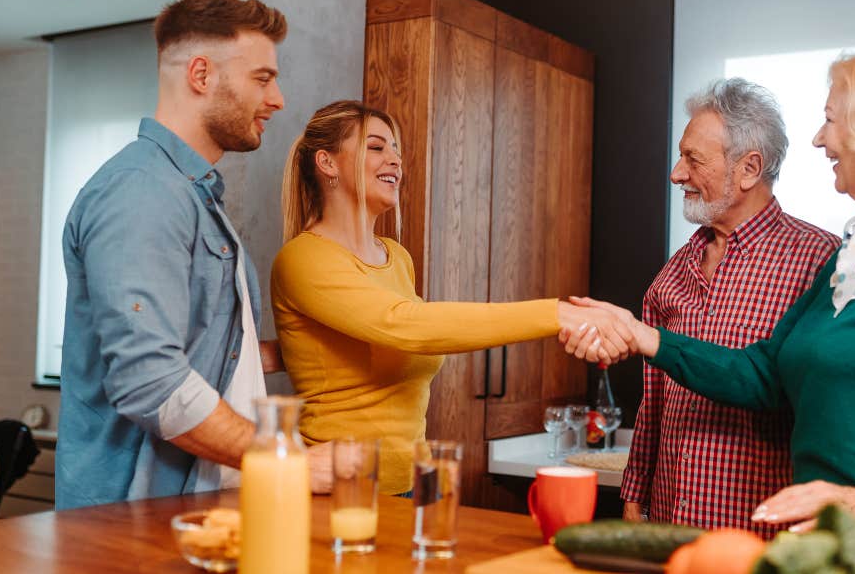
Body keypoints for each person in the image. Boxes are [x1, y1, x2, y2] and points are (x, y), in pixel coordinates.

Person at [568, 42, 855, 573]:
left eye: (830, 120)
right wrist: (642, 335)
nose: (819, 139)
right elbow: (766, 372)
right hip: (834, 553)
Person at [270, 100, 633, 495]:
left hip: (413, 487)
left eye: (396, 150)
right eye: (376, 147)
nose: (395, 160)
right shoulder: (304, 258)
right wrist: (557, 314)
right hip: (338, 491)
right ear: (327, 163)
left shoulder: (397, 259)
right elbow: (405, 325)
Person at [57, 0, 331, 509]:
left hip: (196, 509)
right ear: (201, 75)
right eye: (263, 78)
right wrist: (289, 460)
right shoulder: (142, 192)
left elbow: (203, 347)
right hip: (134, 525)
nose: (278, 100)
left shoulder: (190, 194)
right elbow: (151, 381)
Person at [621, 79, 838, 536]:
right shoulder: (672, 273)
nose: (676, 173)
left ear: (748, 169)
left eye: (693, 159)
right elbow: (653, 404)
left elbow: (833, 410)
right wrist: (635, 496)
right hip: (669, 535)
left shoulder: (820, 260)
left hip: (768, 540)